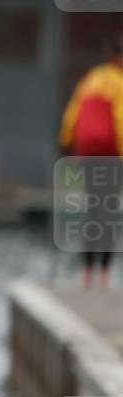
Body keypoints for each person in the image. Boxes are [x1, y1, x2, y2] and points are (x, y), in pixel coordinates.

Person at [58, 34, 123, 290]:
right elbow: (120, 121)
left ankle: (87, 271)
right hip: (112, 154)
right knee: (108, 210)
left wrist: (64, 144)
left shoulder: (91, 78)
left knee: (93, 208)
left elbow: (72, 115)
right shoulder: (119, 82)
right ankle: (105, 273)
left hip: (88, 153)